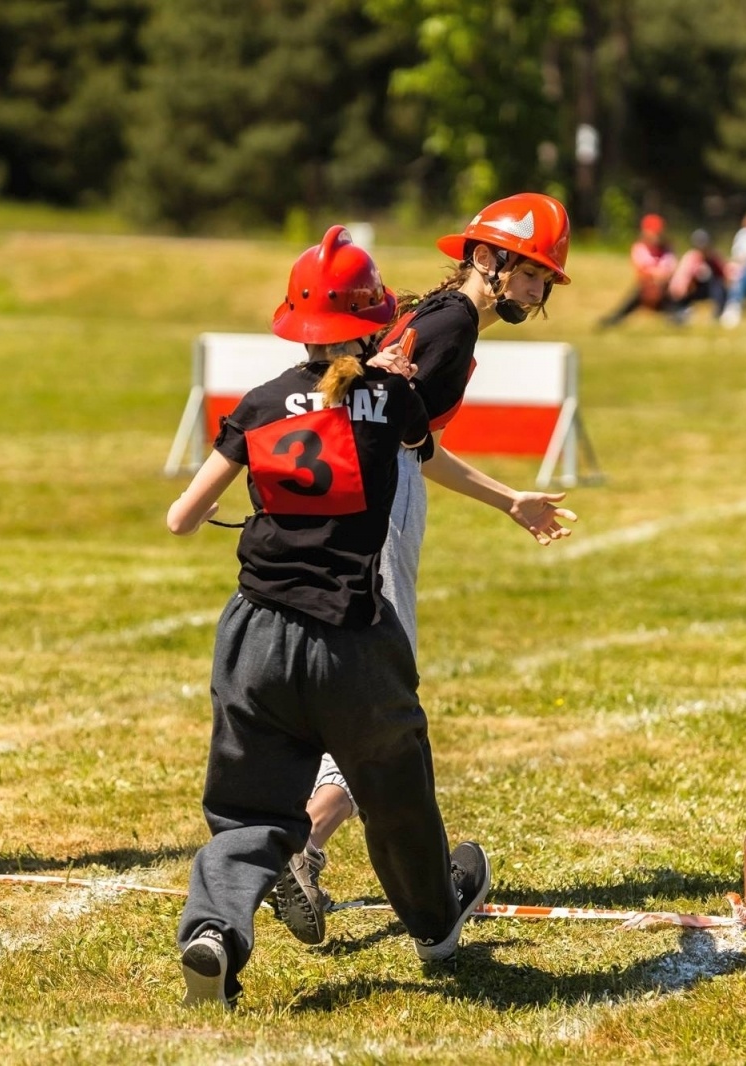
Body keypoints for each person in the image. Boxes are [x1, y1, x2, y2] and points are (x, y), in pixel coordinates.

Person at [166, 225, 490, 1008]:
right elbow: (415, 440)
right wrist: (391, 379)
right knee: (398, 793)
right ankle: (435, 926)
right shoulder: (393, 401)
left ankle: (214, 929)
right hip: (354, 636)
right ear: (371, 319)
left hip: (255, 633)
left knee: (247, 807)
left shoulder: (260, 404)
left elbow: (182, 516)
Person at [268, 194, 576, 947]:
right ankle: (302, 847)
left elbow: (405, 432)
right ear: (487, 260)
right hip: (384, 498)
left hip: (370, 485)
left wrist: (510, 502)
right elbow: (400, 438)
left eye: (544, 281)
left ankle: (300, 840)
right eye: (533, 275)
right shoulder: (452, 325)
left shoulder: (441, 318)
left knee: (355, 679)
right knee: (379, 688)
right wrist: (506, 501)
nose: (538, 294)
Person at [597, 213, 679, 327]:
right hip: (646, 288)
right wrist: (657, 276)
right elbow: (642, 271)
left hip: (664, 290)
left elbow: (670, 270)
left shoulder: (667, 248)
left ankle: (676, 318)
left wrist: (658, 276)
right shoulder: (640, 247)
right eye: (654, 232)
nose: (657, 236)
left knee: (673, 299)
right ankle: (614, 320)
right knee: (635, 296)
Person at [668, 228, 728, 322]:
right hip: (690, 292)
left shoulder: (714, 258)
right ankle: (681, 311)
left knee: (717, 285)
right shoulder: (690, 258)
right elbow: (679, 284)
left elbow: (725, 273)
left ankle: (719, 312)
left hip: (708, 289)